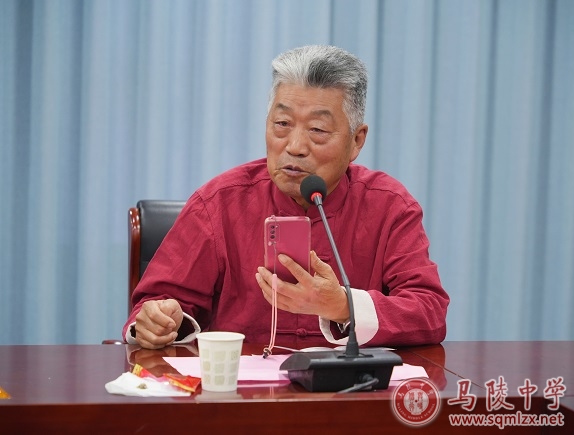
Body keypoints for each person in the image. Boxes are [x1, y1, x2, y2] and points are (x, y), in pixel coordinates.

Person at [123, 45, 449, 350]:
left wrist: (344, 306)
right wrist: (158, 320)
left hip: (350, 388)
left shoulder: (389, 206)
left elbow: (429, 311)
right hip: (241, 389)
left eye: (317, 130)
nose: (294, 146)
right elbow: (155, 305)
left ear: (356, 141)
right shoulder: (218, 203)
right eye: (282, 124)